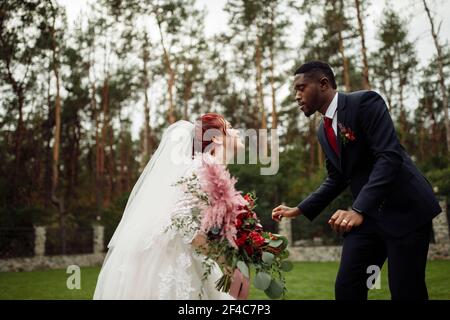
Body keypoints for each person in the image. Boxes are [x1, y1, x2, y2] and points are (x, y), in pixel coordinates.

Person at [272, 61, 441, 300]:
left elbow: (389, 156)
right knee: (348, 288)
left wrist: (359, 208)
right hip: (368, 221)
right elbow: (337, 178)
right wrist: (299, 209)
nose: (297, 97)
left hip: (405, 211)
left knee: (406, 291)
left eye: (301, 88)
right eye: (294, 91)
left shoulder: (365, 102)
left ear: (323, 84)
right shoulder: (323, 131)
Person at [94, 113, 248, 299]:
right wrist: (224, 258)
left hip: (191, 256)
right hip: (172, 262)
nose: (237, 131)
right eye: (230, 126)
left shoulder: (211, 168)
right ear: (215, 137)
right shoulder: (201, 169)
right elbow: (181, 220)